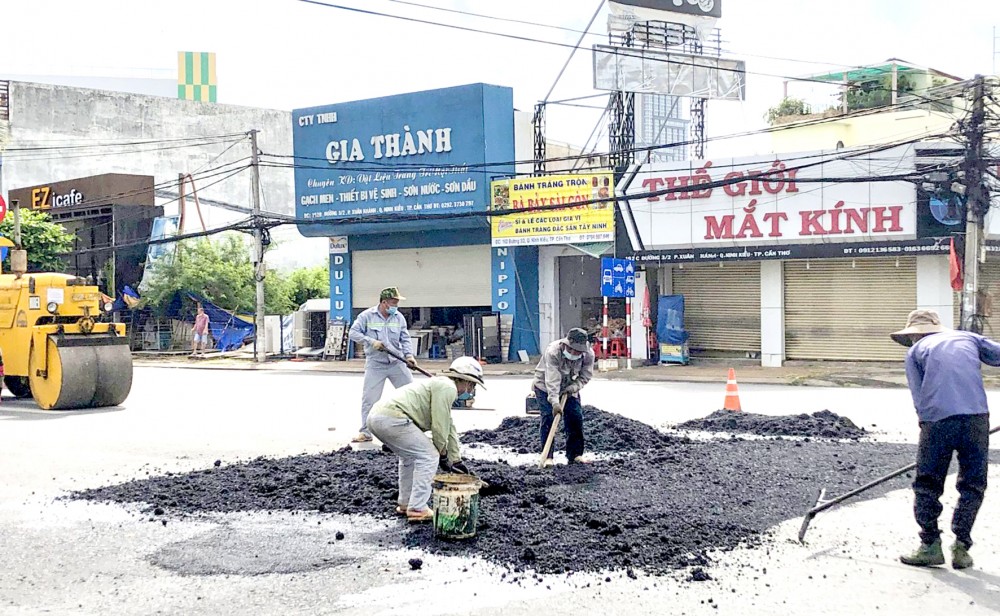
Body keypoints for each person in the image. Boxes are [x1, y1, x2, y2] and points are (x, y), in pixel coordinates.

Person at [890, 309, 998, 569]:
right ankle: (961, 547)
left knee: (927, 483)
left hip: (938, 420)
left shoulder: (915, 351)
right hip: (976, 419)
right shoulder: (969, 338)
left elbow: (919, 396)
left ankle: (930, 546)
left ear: (914, 335)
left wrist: (927, 428)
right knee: (973, 483)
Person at [367, 356, 484, 522]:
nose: (470, 390)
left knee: (409, 457)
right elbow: (439, 426)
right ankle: (418, 508)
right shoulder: (447, 387)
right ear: (464, 380)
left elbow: (448, 426)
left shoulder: (440, 385)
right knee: (429, 456)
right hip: (393, 418)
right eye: (471, 385)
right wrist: (442, 455)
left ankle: (406, 503)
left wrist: (456, 461)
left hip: (377, 417)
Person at [348, 287, 418, 443]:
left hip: (397, 362)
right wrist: (371, 342)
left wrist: (409, 356)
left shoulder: (399, 318)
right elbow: (353, 333)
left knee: (411, 395)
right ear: (384, 302)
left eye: (397, 303)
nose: (396, 306)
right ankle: (365, 432)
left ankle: (417, 429)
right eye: (394, 302)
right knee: (369, 399)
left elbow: (405, 338)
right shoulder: (367, 316)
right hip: (376, 364)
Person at [532, 327, 595, 465]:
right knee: (549, 417)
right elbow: (552, 380)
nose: (573, 353)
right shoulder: (553, 352)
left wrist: (574, 387)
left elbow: (585, 376)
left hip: (569, 387)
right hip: (544, 386)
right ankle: (548, 456)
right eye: (571, 349)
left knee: (575, 416)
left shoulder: (588, 354)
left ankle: (575, 455)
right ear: (565, 344)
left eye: (577, 351)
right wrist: (555, 402)